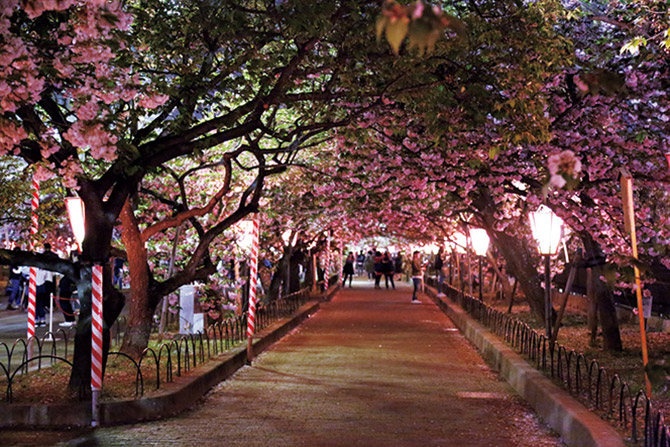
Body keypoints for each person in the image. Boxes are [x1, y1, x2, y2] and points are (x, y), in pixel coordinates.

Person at [34, 243, 59, 327]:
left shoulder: (41, 258)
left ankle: (37, 319)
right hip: (46, 282)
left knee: (36, 303)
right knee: (42, 300)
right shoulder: (54, 256)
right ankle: (43, 317)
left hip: (36, 285)